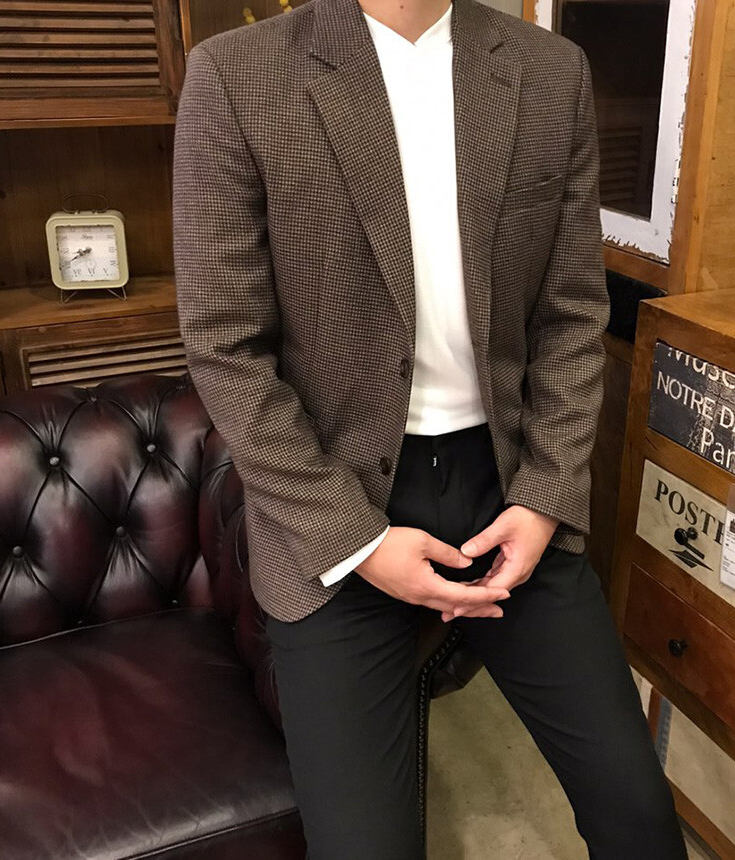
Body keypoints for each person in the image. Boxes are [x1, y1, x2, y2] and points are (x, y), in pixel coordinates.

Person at [172, 0, 688, 857]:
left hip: (509, 489)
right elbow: (226, 347)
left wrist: (547, 493)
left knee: (639, 813)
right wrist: (355, 540)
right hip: (335, 508)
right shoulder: (237, 76)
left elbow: (571, 314)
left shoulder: (548, 71)